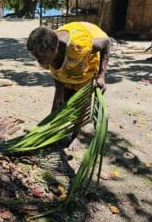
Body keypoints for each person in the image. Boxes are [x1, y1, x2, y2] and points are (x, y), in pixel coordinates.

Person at [26, 22, 110, 150]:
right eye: (36, 58)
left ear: (55, 49)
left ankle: (77, 136)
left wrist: (101, 75)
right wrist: (59, 91)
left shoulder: (78, 47)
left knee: (79, 103)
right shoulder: (45, 54)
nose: (39, 62)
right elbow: (57, 72)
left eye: (41, 57)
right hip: (70, 67)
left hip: (87, 66)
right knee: (58, 104)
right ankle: (50, 133)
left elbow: (106, 43)